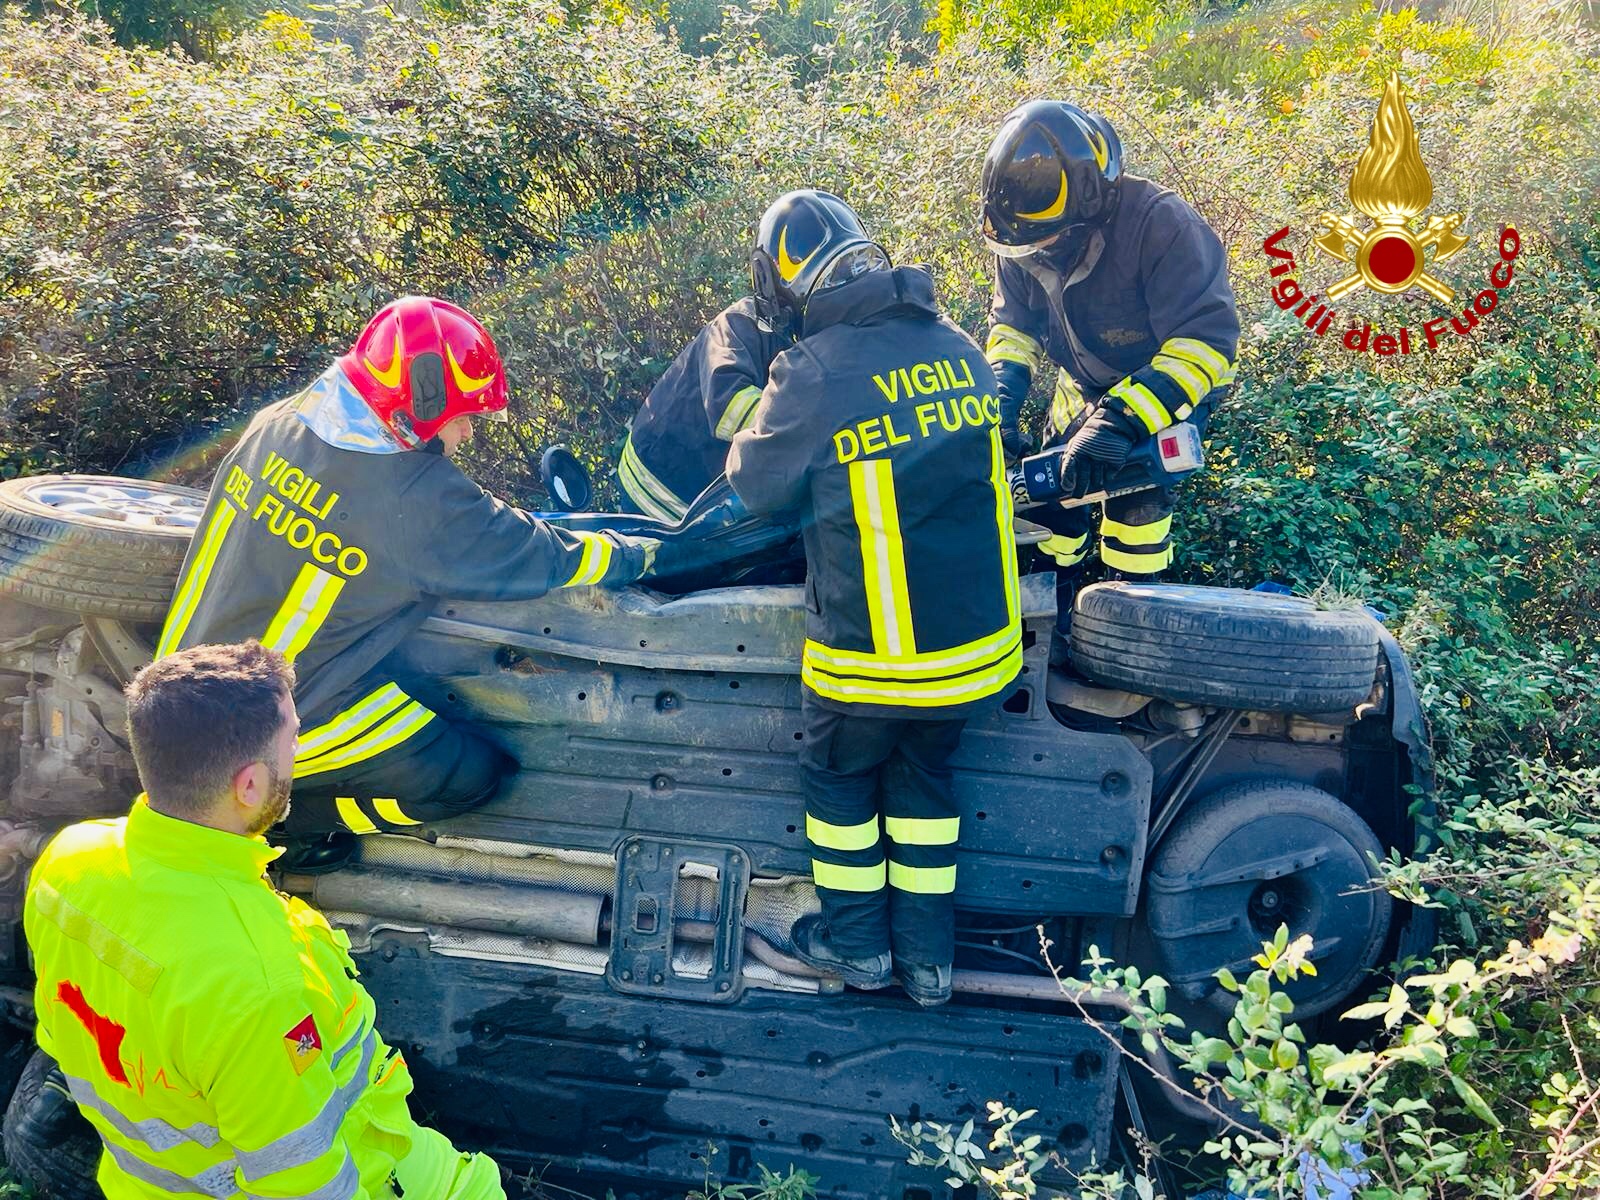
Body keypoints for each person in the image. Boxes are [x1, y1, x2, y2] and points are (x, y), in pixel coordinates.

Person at [156, 297, 656, 856]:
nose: (467, 434)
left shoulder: (278, 422)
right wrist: (647, 555)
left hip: (178, 689)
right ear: (423, 401)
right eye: (464, 417)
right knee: (473, 777)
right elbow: (548, 557)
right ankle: (285, 827)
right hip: (278, 722)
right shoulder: (417, 496)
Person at [23, 640, 504, 1200]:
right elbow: (305, 1189)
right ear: (249, 785)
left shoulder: (69, 858)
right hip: (379, 1174)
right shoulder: (260, 989)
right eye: (293, 738)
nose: (297, 750)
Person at [727, 190, 1022, 1007]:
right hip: (975, 654)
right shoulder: (957, 347)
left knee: (838, 779)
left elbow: (754, 485)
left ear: (786, 283)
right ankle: (929, 964)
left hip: (874, 663)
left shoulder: (814, 370)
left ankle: (858, 949)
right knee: (923, 783)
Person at [980, 100, 1239, 653]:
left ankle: (1133, 626)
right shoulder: (1020, 231)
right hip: (1079, 386)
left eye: (1047, 241)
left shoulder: (1161, 225)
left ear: (1092, 203)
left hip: (1163, 388)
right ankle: (1057, 612)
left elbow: (1206, 342)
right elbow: (1013, 328)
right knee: (1050, 498)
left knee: (1134, 510)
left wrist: (1121, 420)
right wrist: (999, 394)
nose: (1036, 252)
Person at [618, 297, 791, 523]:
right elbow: (729, 406)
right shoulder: (739, 322)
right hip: (659, 485)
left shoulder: (798, 337)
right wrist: (801, 430)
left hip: (699, 497)